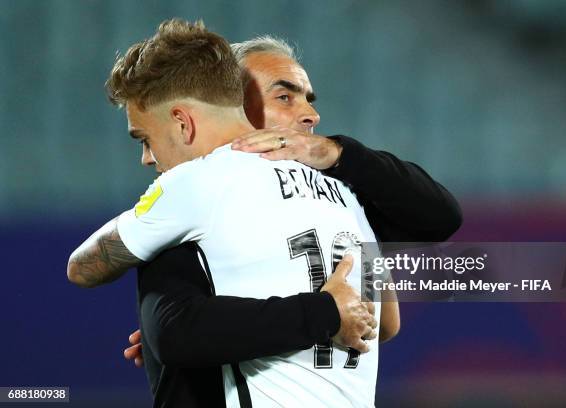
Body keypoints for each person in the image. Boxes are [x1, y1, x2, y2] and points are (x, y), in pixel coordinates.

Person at [67, 19, 396, 407]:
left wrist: (137, 220)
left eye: (146, 138)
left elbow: (82, 268)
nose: (148, 158)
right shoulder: (341, 190)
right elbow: (385, 321)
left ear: (182, 122)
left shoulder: (193, 182)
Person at [124, 35, 463, 368]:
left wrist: (339, 152)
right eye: (284, 97)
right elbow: (175, 332)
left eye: (307, 98)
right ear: (229, 107)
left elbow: (387, 316)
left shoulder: (335, 190)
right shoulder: (197, 193)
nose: (311, 115)